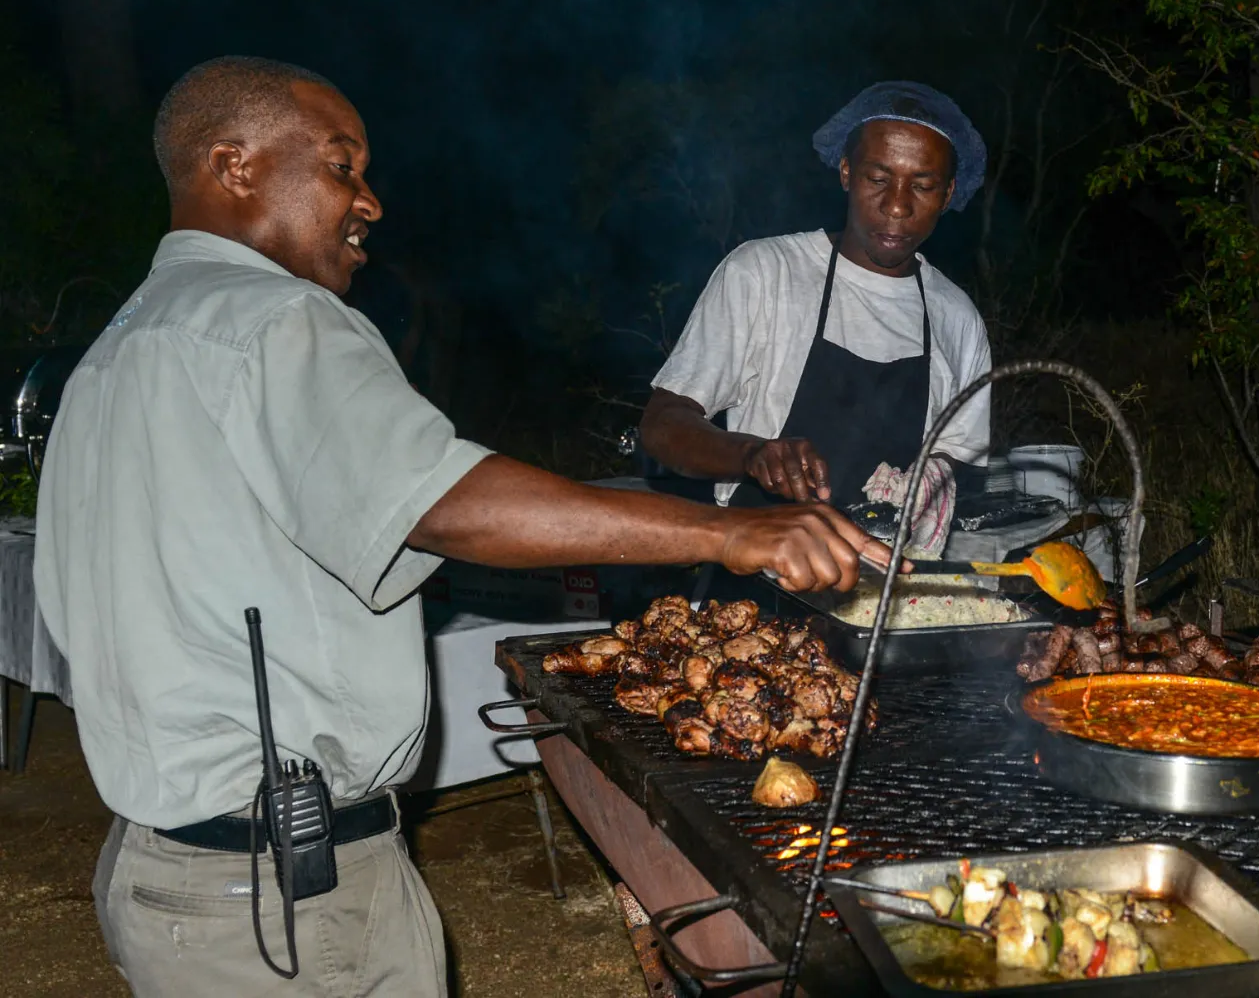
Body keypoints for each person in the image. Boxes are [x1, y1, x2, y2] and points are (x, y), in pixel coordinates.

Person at [33, 56, 895, 997]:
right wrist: (730, 534)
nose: (369, 203)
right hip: (289, 906)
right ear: (234, 166)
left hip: (168, 880)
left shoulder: (113, 356)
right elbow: (452, 503)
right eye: (339, 167)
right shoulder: (278, 322)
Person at [641, 81, 992, 510]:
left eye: (922, 186)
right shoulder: (766, 273)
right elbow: (663, 424)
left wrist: (935, 480)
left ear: (949, 194)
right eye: (878, 178)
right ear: (846, 172)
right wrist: (750, 454)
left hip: (890, 574)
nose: (897, 206)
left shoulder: (956, 318)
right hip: (758, 567)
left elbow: (964, 467)